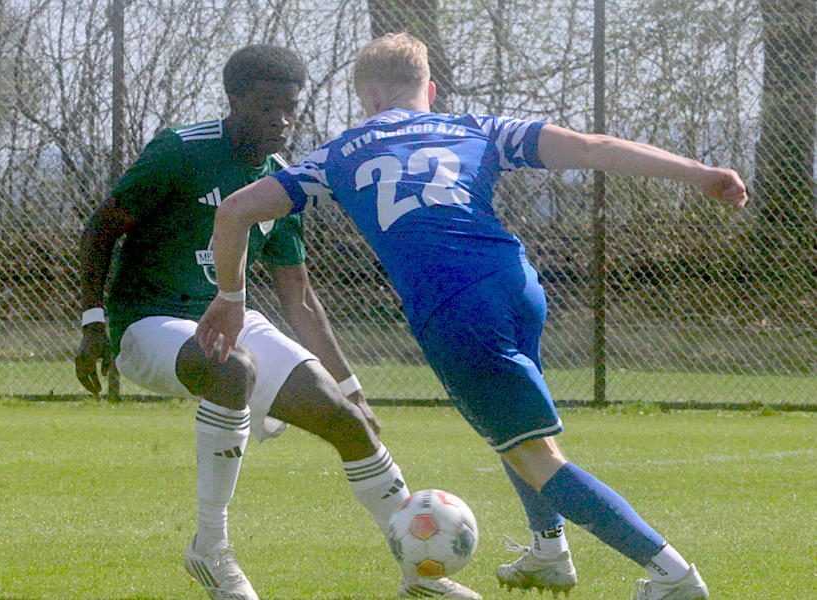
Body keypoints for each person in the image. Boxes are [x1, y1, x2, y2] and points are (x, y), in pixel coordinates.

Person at [195, 33, 749, 600]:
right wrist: (699, 173)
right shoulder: (477, 128)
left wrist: (232, 298)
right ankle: (549, 551)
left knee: (534, 454)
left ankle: (673, 575)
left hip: (454, 306)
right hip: (516, 283)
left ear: (370, 97)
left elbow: (235, 210)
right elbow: (592, 147)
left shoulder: (337, 155)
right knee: (514, 433)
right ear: (429, 90)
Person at [74, 44, 481, 600]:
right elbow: (101, 227)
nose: (282, 120)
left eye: (290, 107)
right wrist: (92, 323)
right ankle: (210, 549)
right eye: (267, 108)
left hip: (232, 324)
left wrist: (351, 388)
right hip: (148, 325)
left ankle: (419, 577)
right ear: (235, 100)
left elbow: (300, 297)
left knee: (347, 422)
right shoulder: (180, 152)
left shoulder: (281, 181)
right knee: (232, 367)